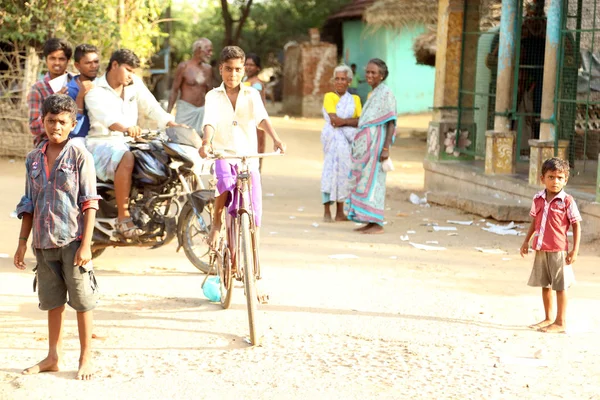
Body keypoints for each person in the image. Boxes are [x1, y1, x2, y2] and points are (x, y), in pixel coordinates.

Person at [14, 94, 101, 380]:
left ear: (73, 124)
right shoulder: (33, 159)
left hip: (73, 240)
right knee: (52, 301)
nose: (56, 127)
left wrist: (86, 245)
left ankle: (86, 356)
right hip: (42, 241)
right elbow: (28, 202)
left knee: (82, 299)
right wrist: (22, 243)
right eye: (51, 121)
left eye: (63, 122)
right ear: (43, 121)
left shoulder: (80, 156)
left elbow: (89, 202)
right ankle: (53, 356)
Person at [85, 49, 180, 238]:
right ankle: (123, 217)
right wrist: (126, 128)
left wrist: (171, 123)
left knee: (159, 154)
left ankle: (147, 207)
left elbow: (152, 107)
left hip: (128, 141)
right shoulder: (94, 91)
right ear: (114, 65)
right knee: (126, 157)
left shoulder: (134, 84)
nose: (131, 75)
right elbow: (108, 119)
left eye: (133, 71)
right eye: (128, 70)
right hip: (101, 143)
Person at [199, 46, 286, 252]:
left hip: (248, 157)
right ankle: (217, 223)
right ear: (221, 69)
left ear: (243, 70)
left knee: (254, 208)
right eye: (228, 69)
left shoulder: (252, 94)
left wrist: (276, 139)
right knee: (223, 182)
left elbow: (262, 118)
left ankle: (252, 254)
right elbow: (209, 122)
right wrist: (206, 142)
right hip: (223, 154)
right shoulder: (213, 96)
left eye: (238, 69)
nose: (233, 74)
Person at [520, 157, 582, 333]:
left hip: (559, 250)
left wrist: (574, 250)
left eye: (560, 178)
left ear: (565, 180)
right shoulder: (538, 198)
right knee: (545, 284)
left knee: (560, 286)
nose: (556, 181)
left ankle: (560, 322)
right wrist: (526, 241)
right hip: (541, 248)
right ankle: (548, 318)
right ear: (542, 179)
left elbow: (577, 225)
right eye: (551, 177)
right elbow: (534, 221)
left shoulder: (567, 201)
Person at [345, 58, 397, 235]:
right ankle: (368, 220)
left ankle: (377, 223)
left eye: (373, 73)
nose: (369, 75)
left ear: (381, 76)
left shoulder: (386, 93)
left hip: (377, 146)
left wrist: (386, 148)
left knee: (375, 183)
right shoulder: (373, 94)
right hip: (366, 147)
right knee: (364, 181)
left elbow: (391, 122)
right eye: (367, 72)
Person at [321, 64, 362, 223]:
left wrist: (343, 121)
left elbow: (360, 121)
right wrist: (348, 122)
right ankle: (326, 211)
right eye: (337, 79)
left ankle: (340, 213)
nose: (339, 82)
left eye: (343, 79)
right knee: (329, 172)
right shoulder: (329, 97)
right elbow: (333, 120)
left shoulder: (355, 99)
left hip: (347, 142)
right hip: (332, 140)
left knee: (344, 173)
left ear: (349, 81)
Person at [28, 38, 74, 146]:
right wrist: (54, 103)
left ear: (68, 61)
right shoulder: (38, 88)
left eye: (61, 59)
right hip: (47, 142)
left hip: (75, 139)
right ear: (46, 60)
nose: (57, 63)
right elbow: (34, 128)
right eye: (52, 58)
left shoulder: (76, 83)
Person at [167, 38, 214, 135]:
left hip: (202, 110)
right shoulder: (184, 67)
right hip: (185, 110)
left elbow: (210, 93)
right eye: (208, 50)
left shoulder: (208, 69)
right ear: (199, 49)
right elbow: (174, 90)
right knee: (180, 138)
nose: (211, 54)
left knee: (200, 141)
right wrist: (168, 114)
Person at [66, 44, 100, 146]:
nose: (93, 66)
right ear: (77, 66)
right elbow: (74, 130)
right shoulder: (69, 91)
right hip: (80, 143)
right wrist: (80, 97)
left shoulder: (103, 85)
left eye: (96, 62)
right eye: (88, 63)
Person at [244, 53, 267, 169]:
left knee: (254, 154)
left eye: (251, 65)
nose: (248, 67)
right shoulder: (244, 80)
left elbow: (254, 104)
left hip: (254, 123)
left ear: (258, 68)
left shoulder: (257, 84)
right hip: (243, 122)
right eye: (246, 64)